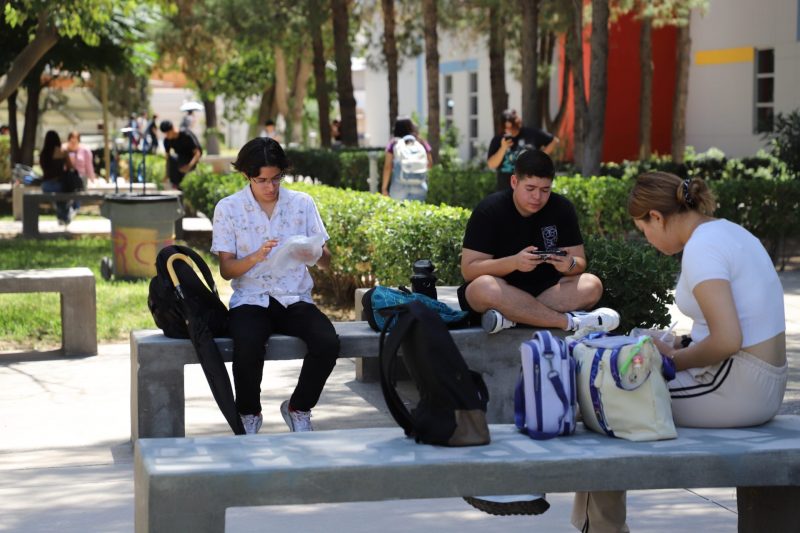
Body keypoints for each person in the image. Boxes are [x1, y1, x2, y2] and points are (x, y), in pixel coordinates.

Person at [573, 171, 790, 532]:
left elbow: (727, 341)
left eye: (644, 230)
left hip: (737, 386)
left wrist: (670, 358)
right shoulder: (728, 232)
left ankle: (600, 529)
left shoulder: (702, 248)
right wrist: (679, 343)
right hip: (757, 380)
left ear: (656, 217)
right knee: (611, 395)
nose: (648, 240)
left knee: (605, 399)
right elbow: (733, 327)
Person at [210, 137, 340, 435]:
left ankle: (299, 407)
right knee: (247, 344)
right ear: (247, 176)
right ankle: (249, 414)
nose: (270, 187)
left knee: (327, 342)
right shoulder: (229, 208)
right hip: (251, 298)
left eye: (276, 178)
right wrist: (256, 256)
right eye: (262, 180)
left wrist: (313, 253)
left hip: (294, 297)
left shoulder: (302, 204)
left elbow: (326, 261)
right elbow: (227, 270)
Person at [458, 149, 619, 335]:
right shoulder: (489, 210)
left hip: (547, 291)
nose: (537, 197)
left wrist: (569, 264)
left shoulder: (562, 208)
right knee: (483, 288)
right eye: (530, 189)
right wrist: (514, 262)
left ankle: (510, 318)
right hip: (501, 289)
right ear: (514, 182)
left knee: (592, 285)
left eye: (545, 190)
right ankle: (567, 322)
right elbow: (469, 270)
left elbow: (579, 262)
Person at [487, 109, 559, 191]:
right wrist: (503, 148)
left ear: (518, 123)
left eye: (511, 127)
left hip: (529, 188)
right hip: (505, 189)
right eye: (506, 128)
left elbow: (554, 141)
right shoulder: (498, 140)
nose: (509, 130)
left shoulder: (531, 133)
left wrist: (539, 157)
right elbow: (491, 165)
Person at [381, 117, 433, 201]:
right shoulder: (421, 142)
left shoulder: (393, 143)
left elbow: (388, 167)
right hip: (419, 184)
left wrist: (384, 188)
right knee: (416, 209)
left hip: (399, 186)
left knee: (398, 209)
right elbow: (429, 164)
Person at [39, 130, 77, 225]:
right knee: (64, 195)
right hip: (58, 184)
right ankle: (64, 217)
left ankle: (63, 218)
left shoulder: (43, 154)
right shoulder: (62, 151)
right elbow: (70, 167)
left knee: (60, 199)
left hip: (45, 185)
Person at [160, 120, 202, 189]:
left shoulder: (186, 134)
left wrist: (189, 166)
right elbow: (168, 158)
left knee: (179, 163)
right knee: (173, 159)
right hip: (181, 158)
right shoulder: (167, 140)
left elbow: (197, 153)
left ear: (173, 129)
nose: (166, 136)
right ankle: (176, 185)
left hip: (192, 158)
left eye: (167, 133)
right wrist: (167, 174)